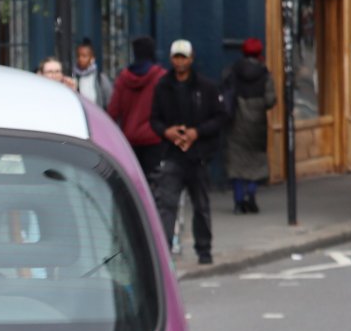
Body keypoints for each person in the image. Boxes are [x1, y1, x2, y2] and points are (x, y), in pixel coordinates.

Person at [150, 39, 227, 265]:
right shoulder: (162, 86)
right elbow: (154, 119)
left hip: (198, 155)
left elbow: (220, 117)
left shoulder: (206, 87)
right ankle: (164, 254)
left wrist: (196, 133)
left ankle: (204, 250)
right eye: (176, 57)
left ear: (191, 59)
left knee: (201, 205)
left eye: (184, 57)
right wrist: (168, 132)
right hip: (172, 155)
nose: (180, 61)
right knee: (167, 206)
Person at [221, 37, 277, 214]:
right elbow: (270, 100)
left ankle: (238, 202)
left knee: (237, 163)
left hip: (236, 121)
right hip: (257, 123)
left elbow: (223, 92)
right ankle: (251, 197)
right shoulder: (265, 74)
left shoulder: (232, 71)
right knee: (256, 161)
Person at [108, 36, 168, 181]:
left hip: (130, 139)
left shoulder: (123, 78)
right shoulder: (161, 77)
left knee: (134, 181)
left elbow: (113, 111)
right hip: (154, 138)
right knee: (154, 182)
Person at [72, 39, 114, 109]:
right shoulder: (73, 76)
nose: (80, 59)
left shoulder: (100, 78)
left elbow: (110, 102)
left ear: (92, 58)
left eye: (84, 56)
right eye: (78, 56)